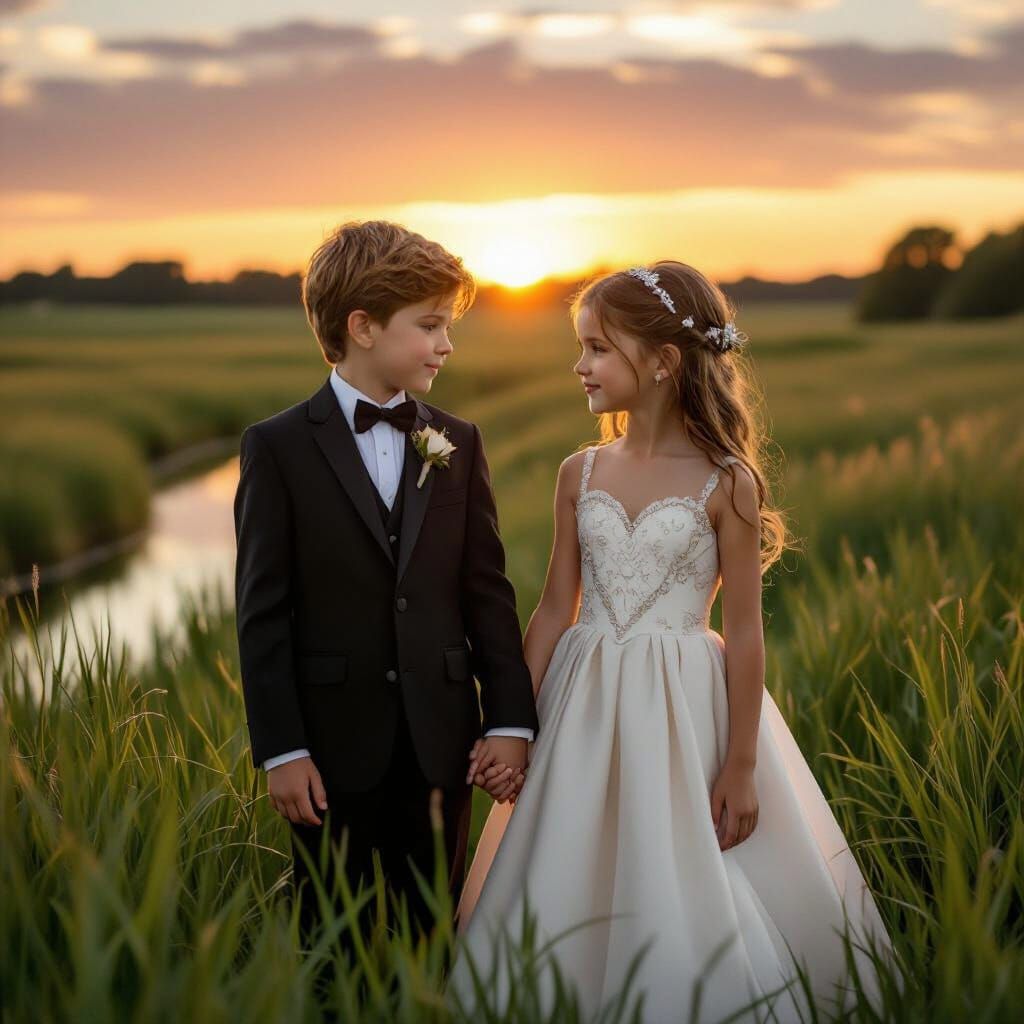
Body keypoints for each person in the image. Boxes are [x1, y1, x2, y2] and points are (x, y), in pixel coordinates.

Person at [448, 261, 900, 1022]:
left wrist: (743, 763)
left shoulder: (728, 482)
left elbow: (745, 631)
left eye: (597, 348)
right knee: (569, 853)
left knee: (679, 856)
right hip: (580, 696)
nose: (579, 365)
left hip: (683, 701)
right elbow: (556, 607)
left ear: (661, 361)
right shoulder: (578, 471)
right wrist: (513, 725)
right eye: (580, 347)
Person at [232, 220, 538, 959]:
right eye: (430, 325)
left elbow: (487, 594)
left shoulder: (457, 442)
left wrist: (509, 722)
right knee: (329, 943)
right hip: (329, 754)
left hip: (444, 745)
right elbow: (261, 613)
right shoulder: (276, 447)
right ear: (362, 327)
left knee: (435, 937)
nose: (446, 344)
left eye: (448, 325)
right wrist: (282, 752)